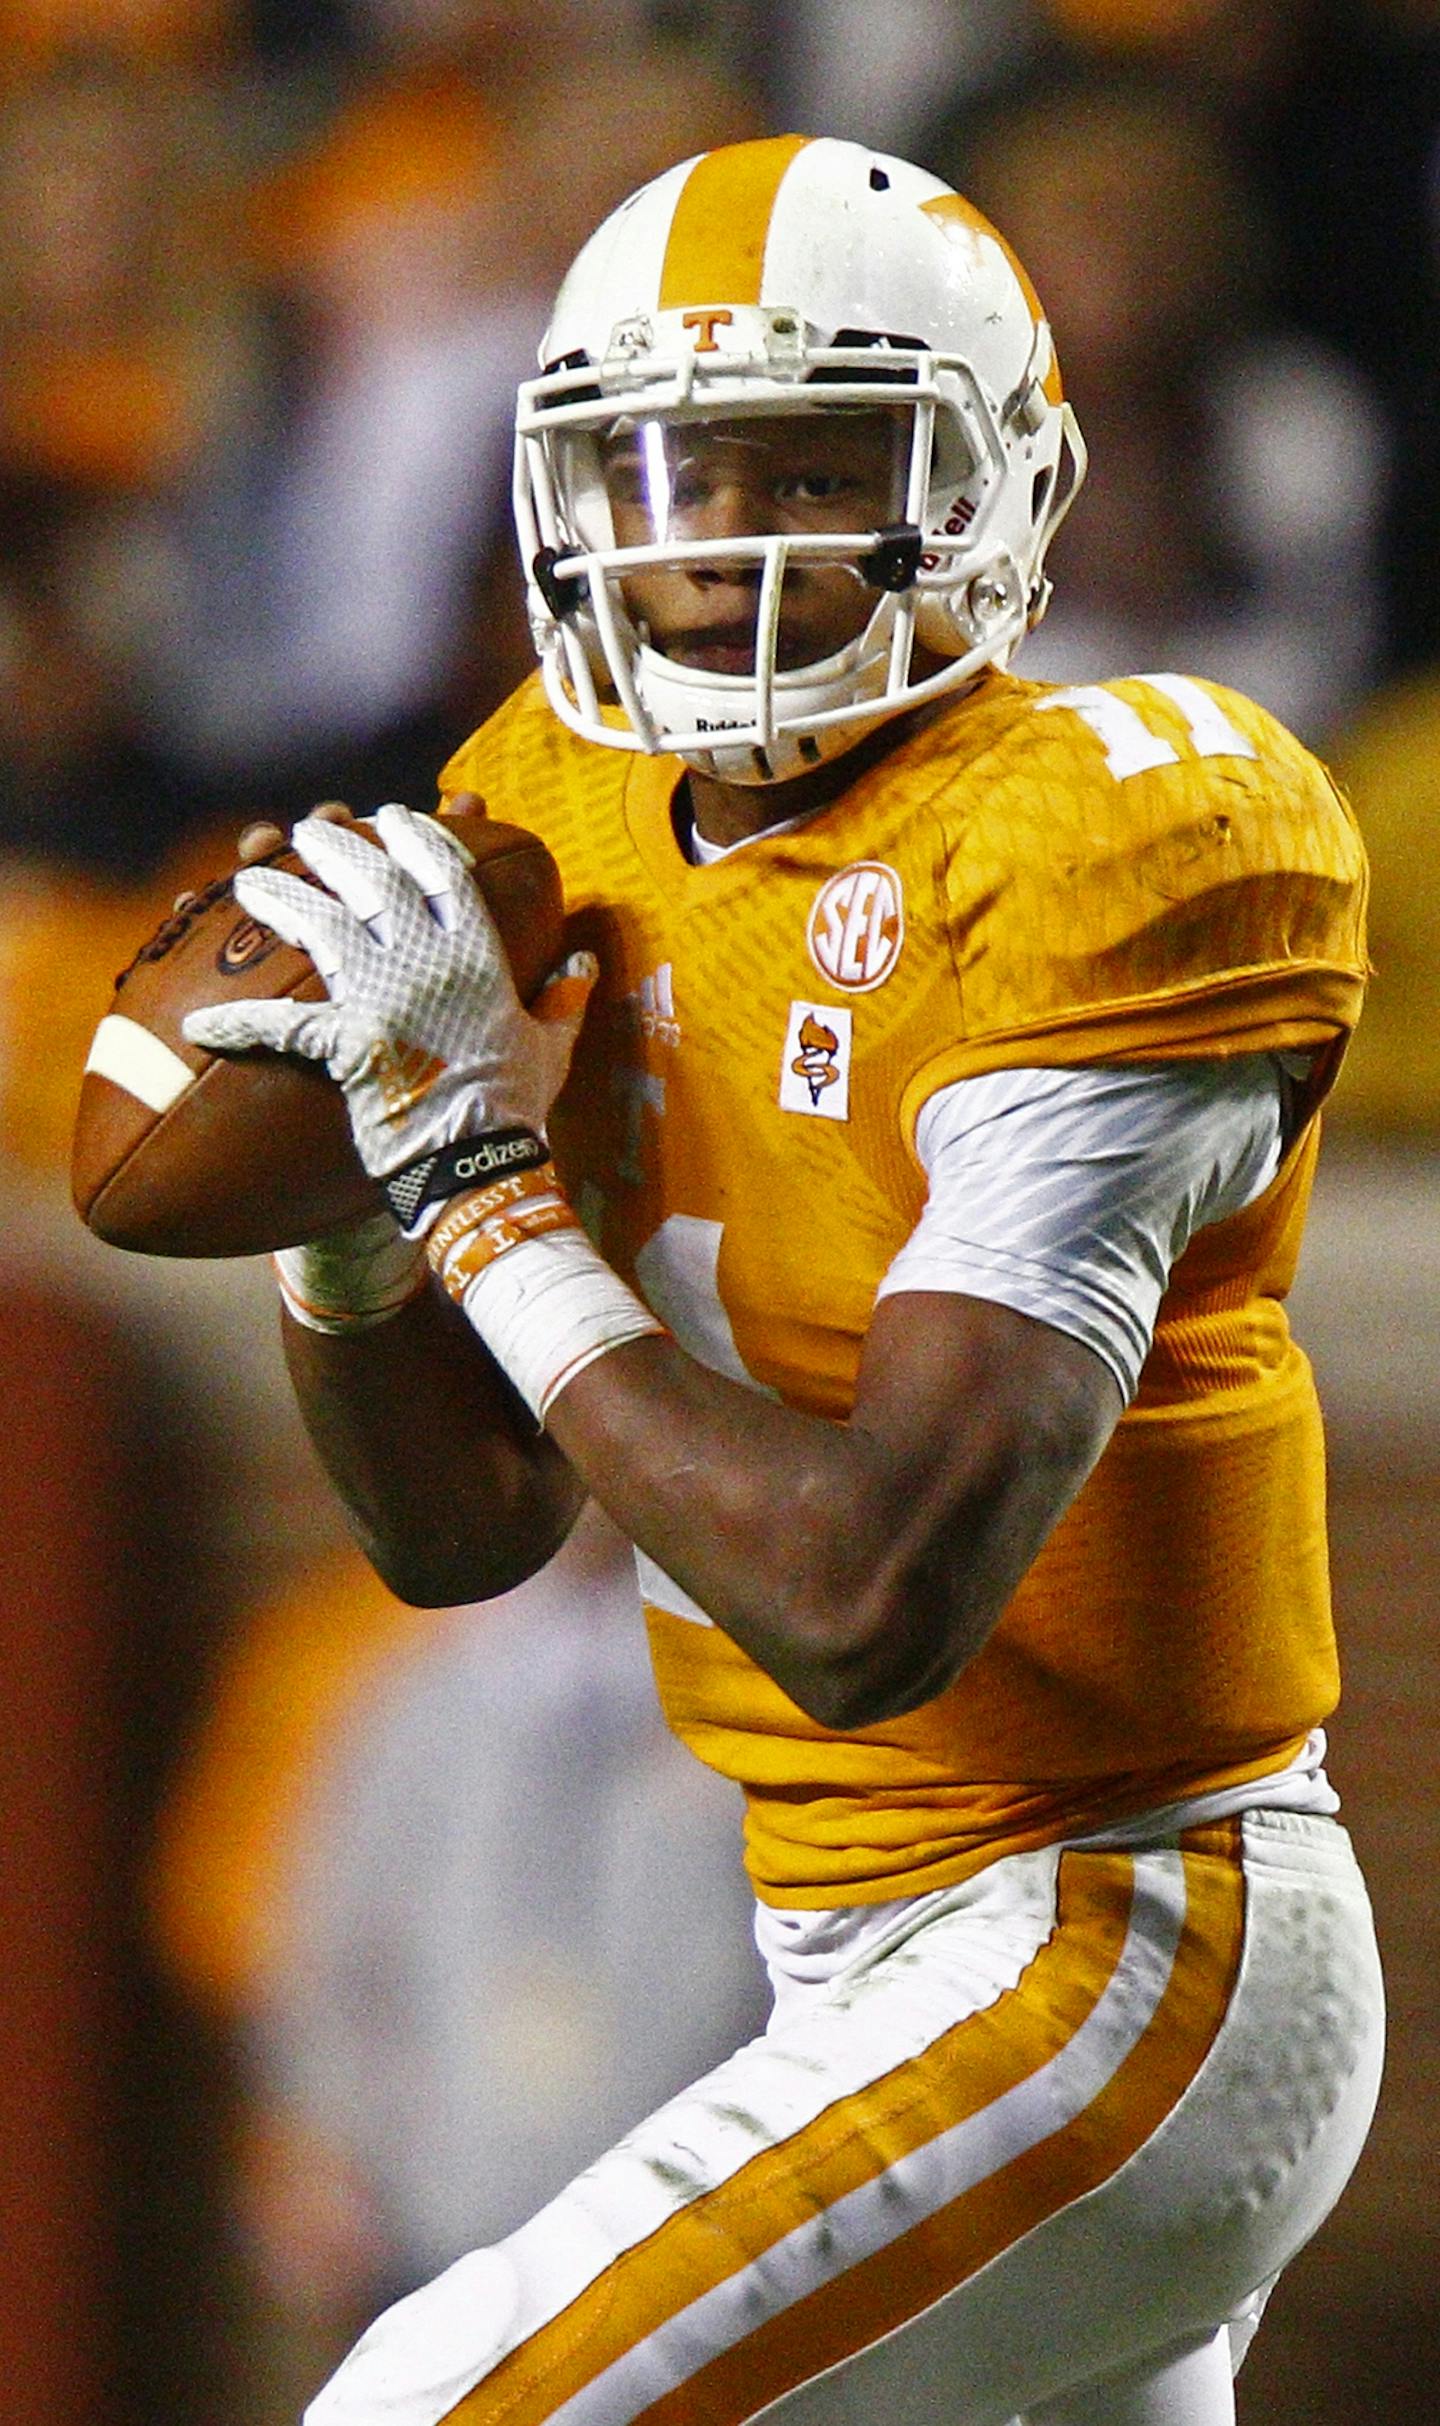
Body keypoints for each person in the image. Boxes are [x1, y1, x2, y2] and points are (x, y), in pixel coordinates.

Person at [184, 135, 1383, 2426]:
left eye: (815, 471)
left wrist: (470, 1174)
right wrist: (353, 1216)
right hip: (843, 1932)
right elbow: (462, 1534)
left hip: (1113, 1922)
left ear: (1001, 489)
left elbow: (866, 1598)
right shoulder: (551, 803)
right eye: (662, 476)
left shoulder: (1119, 830)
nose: (719, 548)